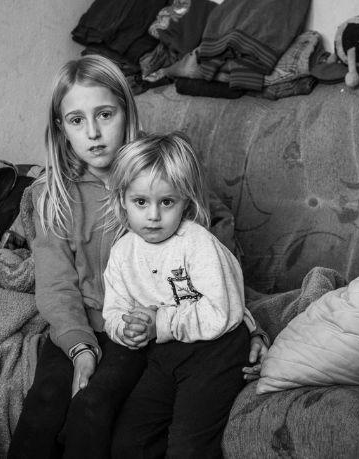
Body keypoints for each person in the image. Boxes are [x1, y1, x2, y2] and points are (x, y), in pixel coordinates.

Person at [7, 55, 268, 459]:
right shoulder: (51, 196)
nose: (93, 133)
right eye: (76, 120)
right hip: (81, 326)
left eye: (105, 115)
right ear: (61, 128)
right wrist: (80, 348)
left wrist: (248, 325)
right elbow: (56, 288)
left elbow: (213, 259)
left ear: (126, 111)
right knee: (46, 402)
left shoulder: (161, 171)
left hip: (142, 329)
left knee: (95, 406)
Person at [101, 132, 259, 458]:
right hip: (164, 354)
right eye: (141, 202)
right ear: (122, 200)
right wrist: (126, 329)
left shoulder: (196, 242)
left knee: (188, 446)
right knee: (128, 442)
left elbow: (222, 312)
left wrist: (159, 323)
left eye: (167, 202)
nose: (153, 215)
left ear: (185, 202)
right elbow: (114, 310)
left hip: (217, 349)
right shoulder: (122, 252)